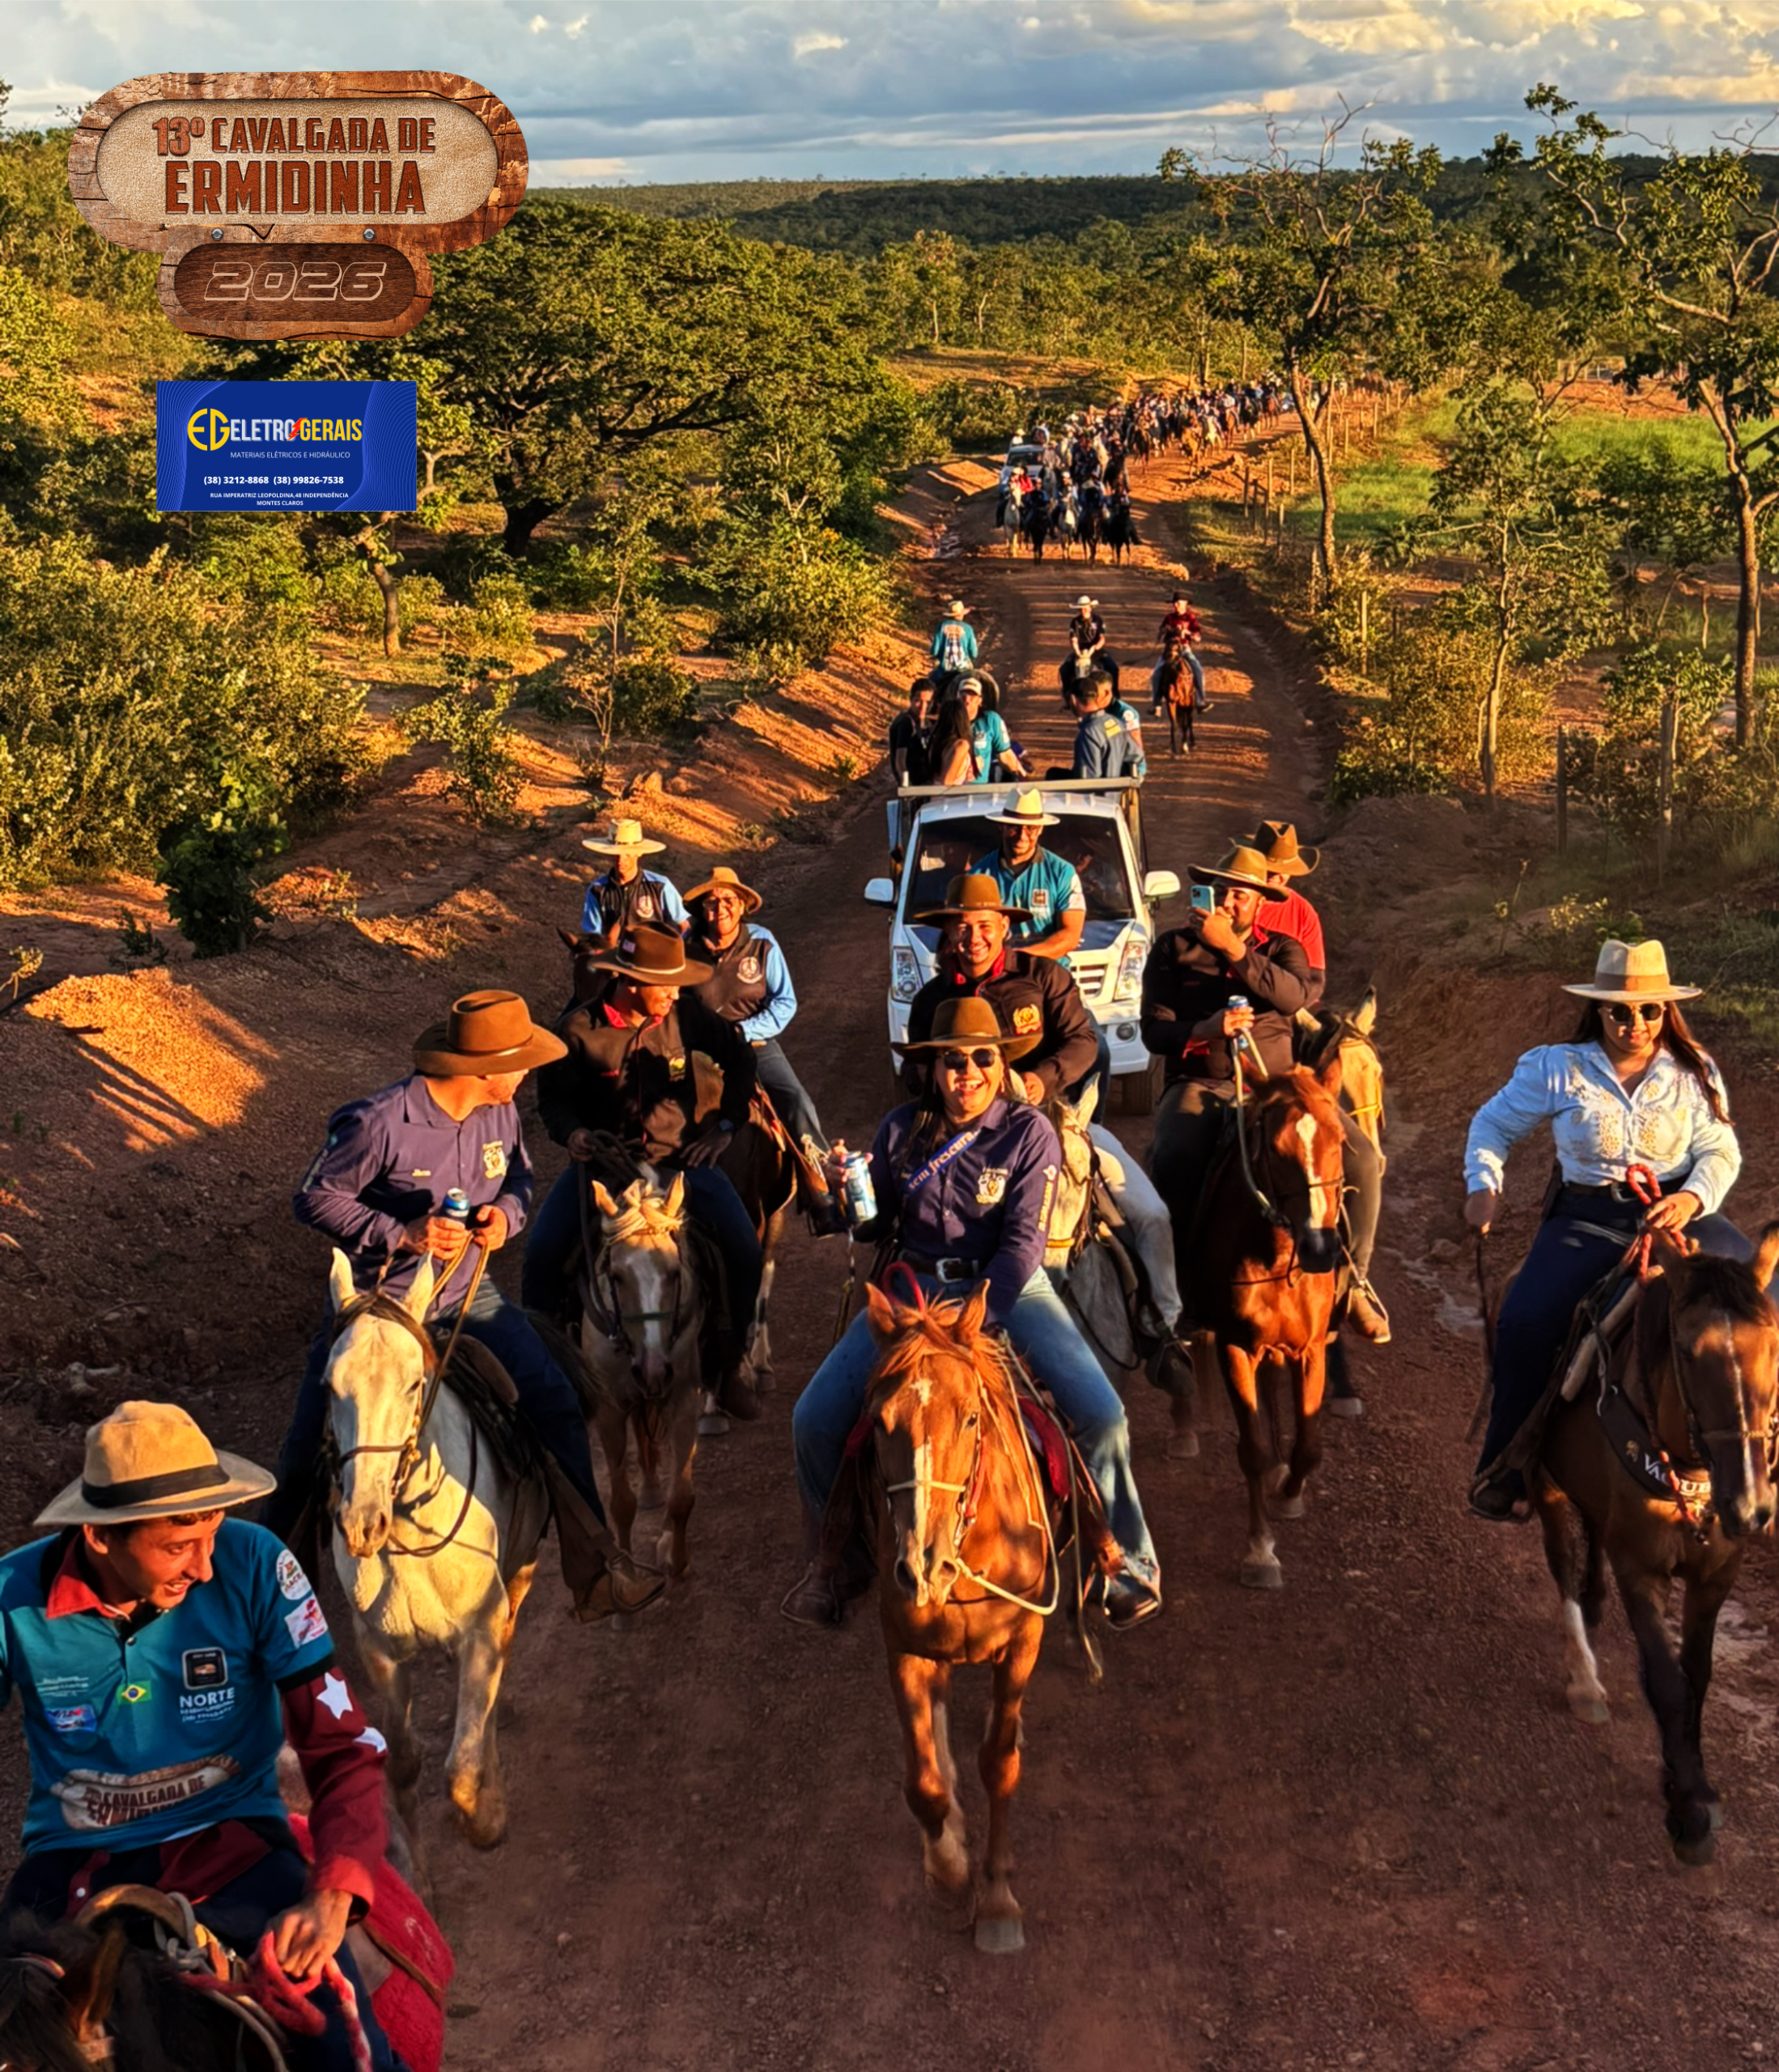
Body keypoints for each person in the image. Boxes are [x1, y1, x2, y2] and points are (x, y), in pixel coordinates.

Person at [0, 1403, 401, 2071]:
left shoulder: (258, 1566)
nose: (206, 1566)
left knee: (345, 2053)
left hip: (233, 1847)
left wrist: (331, 1896)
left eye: (212, 1532)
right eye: (178, 1545)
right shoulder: (13, 1595)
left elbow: (342, 1747)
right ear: (102, 1538)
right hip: (70, 1863)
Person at [269, 991, 664, 1622]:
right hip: (378, 1306)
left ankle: (595, 1573)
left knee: (556, 1400)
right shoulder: (376, 1122)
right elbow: (313, 1198)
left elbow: (520, 1181)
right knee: (302, 1451)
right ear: (482, 1069)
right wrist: (402, 1232)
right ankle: (263, 1607)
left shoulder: (499, 1114)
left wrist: (505, 1219)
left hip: (464, 1292)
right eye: (521, 1064)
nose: (528, 1075)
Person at [783, 997, 1163, 1630]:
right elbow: (878, 1228)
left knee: (1103, 1414)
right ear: (933, 1069)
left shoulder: (1028, 1132)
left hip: (1008, 1290)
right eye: (952, 1060)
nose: (968, 1072)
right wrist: (848, 1188)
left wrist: (978, 1317)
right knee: (813, 1418)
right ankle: (837, 1561)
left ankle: (1124, 1563)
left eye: (982, 1058)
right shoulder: (901, 1130)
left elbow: (1022, 1246)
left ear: (1000, 1064)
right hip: (913, 1290)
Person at [1464, 940, 1747, 1522]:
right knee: (1526, 1320)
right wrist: (1483, 1185)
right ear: (1598, 1009)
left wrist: (1692, 1196)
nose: (1636, 1023)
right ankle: (1507, 1465)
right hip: (1587, 1218)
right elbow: (1493, 1124)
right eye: (1621, 1010)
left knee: (1763, 1299)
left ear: (1666, 1011)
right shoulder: (1557, 1068)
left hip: (1679, 1216)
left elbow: (1719, 1149)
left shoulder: (1693, 1070)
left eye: (1649, 1010)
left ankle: (1758, 1451)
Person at [522, 924, 767, 1420]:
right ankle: (548, 1376)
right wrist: (571, 1134)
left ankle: (729, 1366)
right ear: (632, 981)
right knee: (541, 1257)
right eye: (667, 984)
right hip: (604, 1171)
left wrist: (724, 1126)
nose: (676, 993)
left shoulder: (686, 1017)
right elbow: (553, 1102)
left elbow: (740, 1058)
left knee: (745, 1250)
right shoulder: (576, 1031)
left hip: (681, 1163)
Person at [1140, 847, 1316, 1278]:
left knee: (1353, 1159)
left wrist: (1234, 950)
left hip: (1275, 1089)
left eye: (1240, 896)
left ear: (1259, 903)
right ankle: (1172, 1284)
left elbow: (1293, 998)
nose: (1227, 903)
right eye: (1221, 892)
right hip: (1202, 1083)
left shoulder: (1282, 948)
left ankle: (1352, 1276)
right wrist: (1204, 1031)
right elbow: (1154, 1031)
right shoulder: (1171, 947)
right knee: (1176, 1154)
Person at [685, 864, 835, 1169]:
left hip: (754, 1044)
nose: (721, 909)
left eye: (728, 901)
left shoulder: (762, 943)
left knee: (795, 1101)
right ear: (703, 910)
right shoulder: (686, 949)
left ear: (742, 906)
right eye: (712, 903)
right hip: (699, 1051)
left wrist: (745, 1030)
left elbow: (785, 1001)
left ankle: (822, 1180)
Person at [902, 875, 1098, 1104]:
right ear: (949, 931)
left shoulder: (1045, 976)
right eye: (963, 927)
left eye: (985, 926)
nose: (974, 938)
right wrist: (933, 1080)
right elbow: (914, 1063)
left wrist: (1042, 1079)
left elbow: (1082, 1041)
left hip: (1042, 1108)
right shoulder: (930, 999)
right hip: (963, 1117)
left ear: (1004, 926)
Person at [970, 789, 1086, 963]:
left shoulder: (1063, 872)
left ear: (1040, 829)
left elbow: (1070, 935)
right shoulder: (978, 876)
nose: (1022, 836)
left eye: (1030, 828)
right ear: (1001, 826)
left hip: (1050, 974)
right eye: (1014, 828)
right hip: (998, 976)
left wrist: (1019, 958)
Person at [1241, 820, 1327, 1004]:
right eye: (1268, 868)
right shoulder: (1226, 900)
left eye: (1283, 870)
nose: (1274, 875)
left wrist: (1291, 1009)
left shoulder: (1303, 912)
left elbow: (1315, 979)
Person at [579, 818, 688, 945]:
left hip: (652, 958)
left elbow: (684, 925)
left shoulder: (660, 886)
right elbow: (593, 935)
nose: (621, 860)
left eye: (627, 854)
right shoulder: (597, 890)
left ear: (638, 853)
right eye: (616, 854)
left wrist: (671, 950)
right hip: (612, 958)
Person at [1066, 671, 1140, 782]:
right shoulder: (1115, 722)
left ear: (1073, 700)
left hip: (1099, 796)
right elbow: (1136, 755)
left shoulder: (1089, 732)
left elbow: (1088, 778)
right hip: (1118, 790)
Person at [959, 677, 1026, 784]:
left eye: (972, 695)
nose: (967, 700)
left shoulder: (991, 720)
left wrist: (1020, 772)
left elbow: (1005, 755)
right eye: (963, 695)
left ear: (980, 700)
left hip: (980, 790)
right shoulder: (947, 720)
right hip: (951, 790)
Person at [1153, 594, 1208, 713]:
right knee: (1156, 674)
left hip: (1184, 648)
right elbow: (1161, 632)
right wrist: (1165, 630)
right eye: (1174, 603)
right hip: (1170, 650)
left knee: (1197, 670)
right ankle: (1156, 704)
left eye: (1178, 603)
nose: (1175, 605)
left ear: (1185, 604)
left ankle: (1200, 700)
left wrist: (1186, 632)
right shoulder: (1169, 617)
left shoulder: (1191, 618)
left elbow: (1198, 638)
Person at [1060, 596, 1118, 697]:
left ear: (1090, 608)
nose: (1083, 611)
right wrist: (1077, 651)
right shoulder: (1075, 622)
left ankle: (1115, 695)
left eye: (1085, 608)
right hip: (1081, 651)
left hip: (1096, 650)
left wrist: (1094, 648)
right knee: (1064, 669)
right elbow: (1073, 639)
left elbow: (1102, 639)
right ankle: (1068, 696)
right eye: (1081, 609)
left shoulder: (1097, 620)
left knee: (1113, 668)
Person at [889, 678, 938, 788]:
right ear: (911, 699)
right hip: (914, 787)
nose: (923, 707)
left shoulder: (927, 721)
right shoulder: (906, 723)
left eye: (928, 702)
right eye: (918, 701)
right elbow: (900, 761)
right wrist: (907, 787)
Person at [930, 600, 978, 689]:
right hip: (964, 670)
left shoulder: (941, 626)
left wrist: (935, 655)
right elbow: (974, 654)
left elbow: (934, 651)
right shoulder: (968, 629)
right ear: (961, 614)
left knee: (931, 684)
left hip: (945, 670)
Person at [931, 694, 975, 787]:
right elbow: (947, 781)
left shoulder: (937, 744)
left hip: (934, 797)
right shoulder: (961, 745)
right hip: (950, 799)